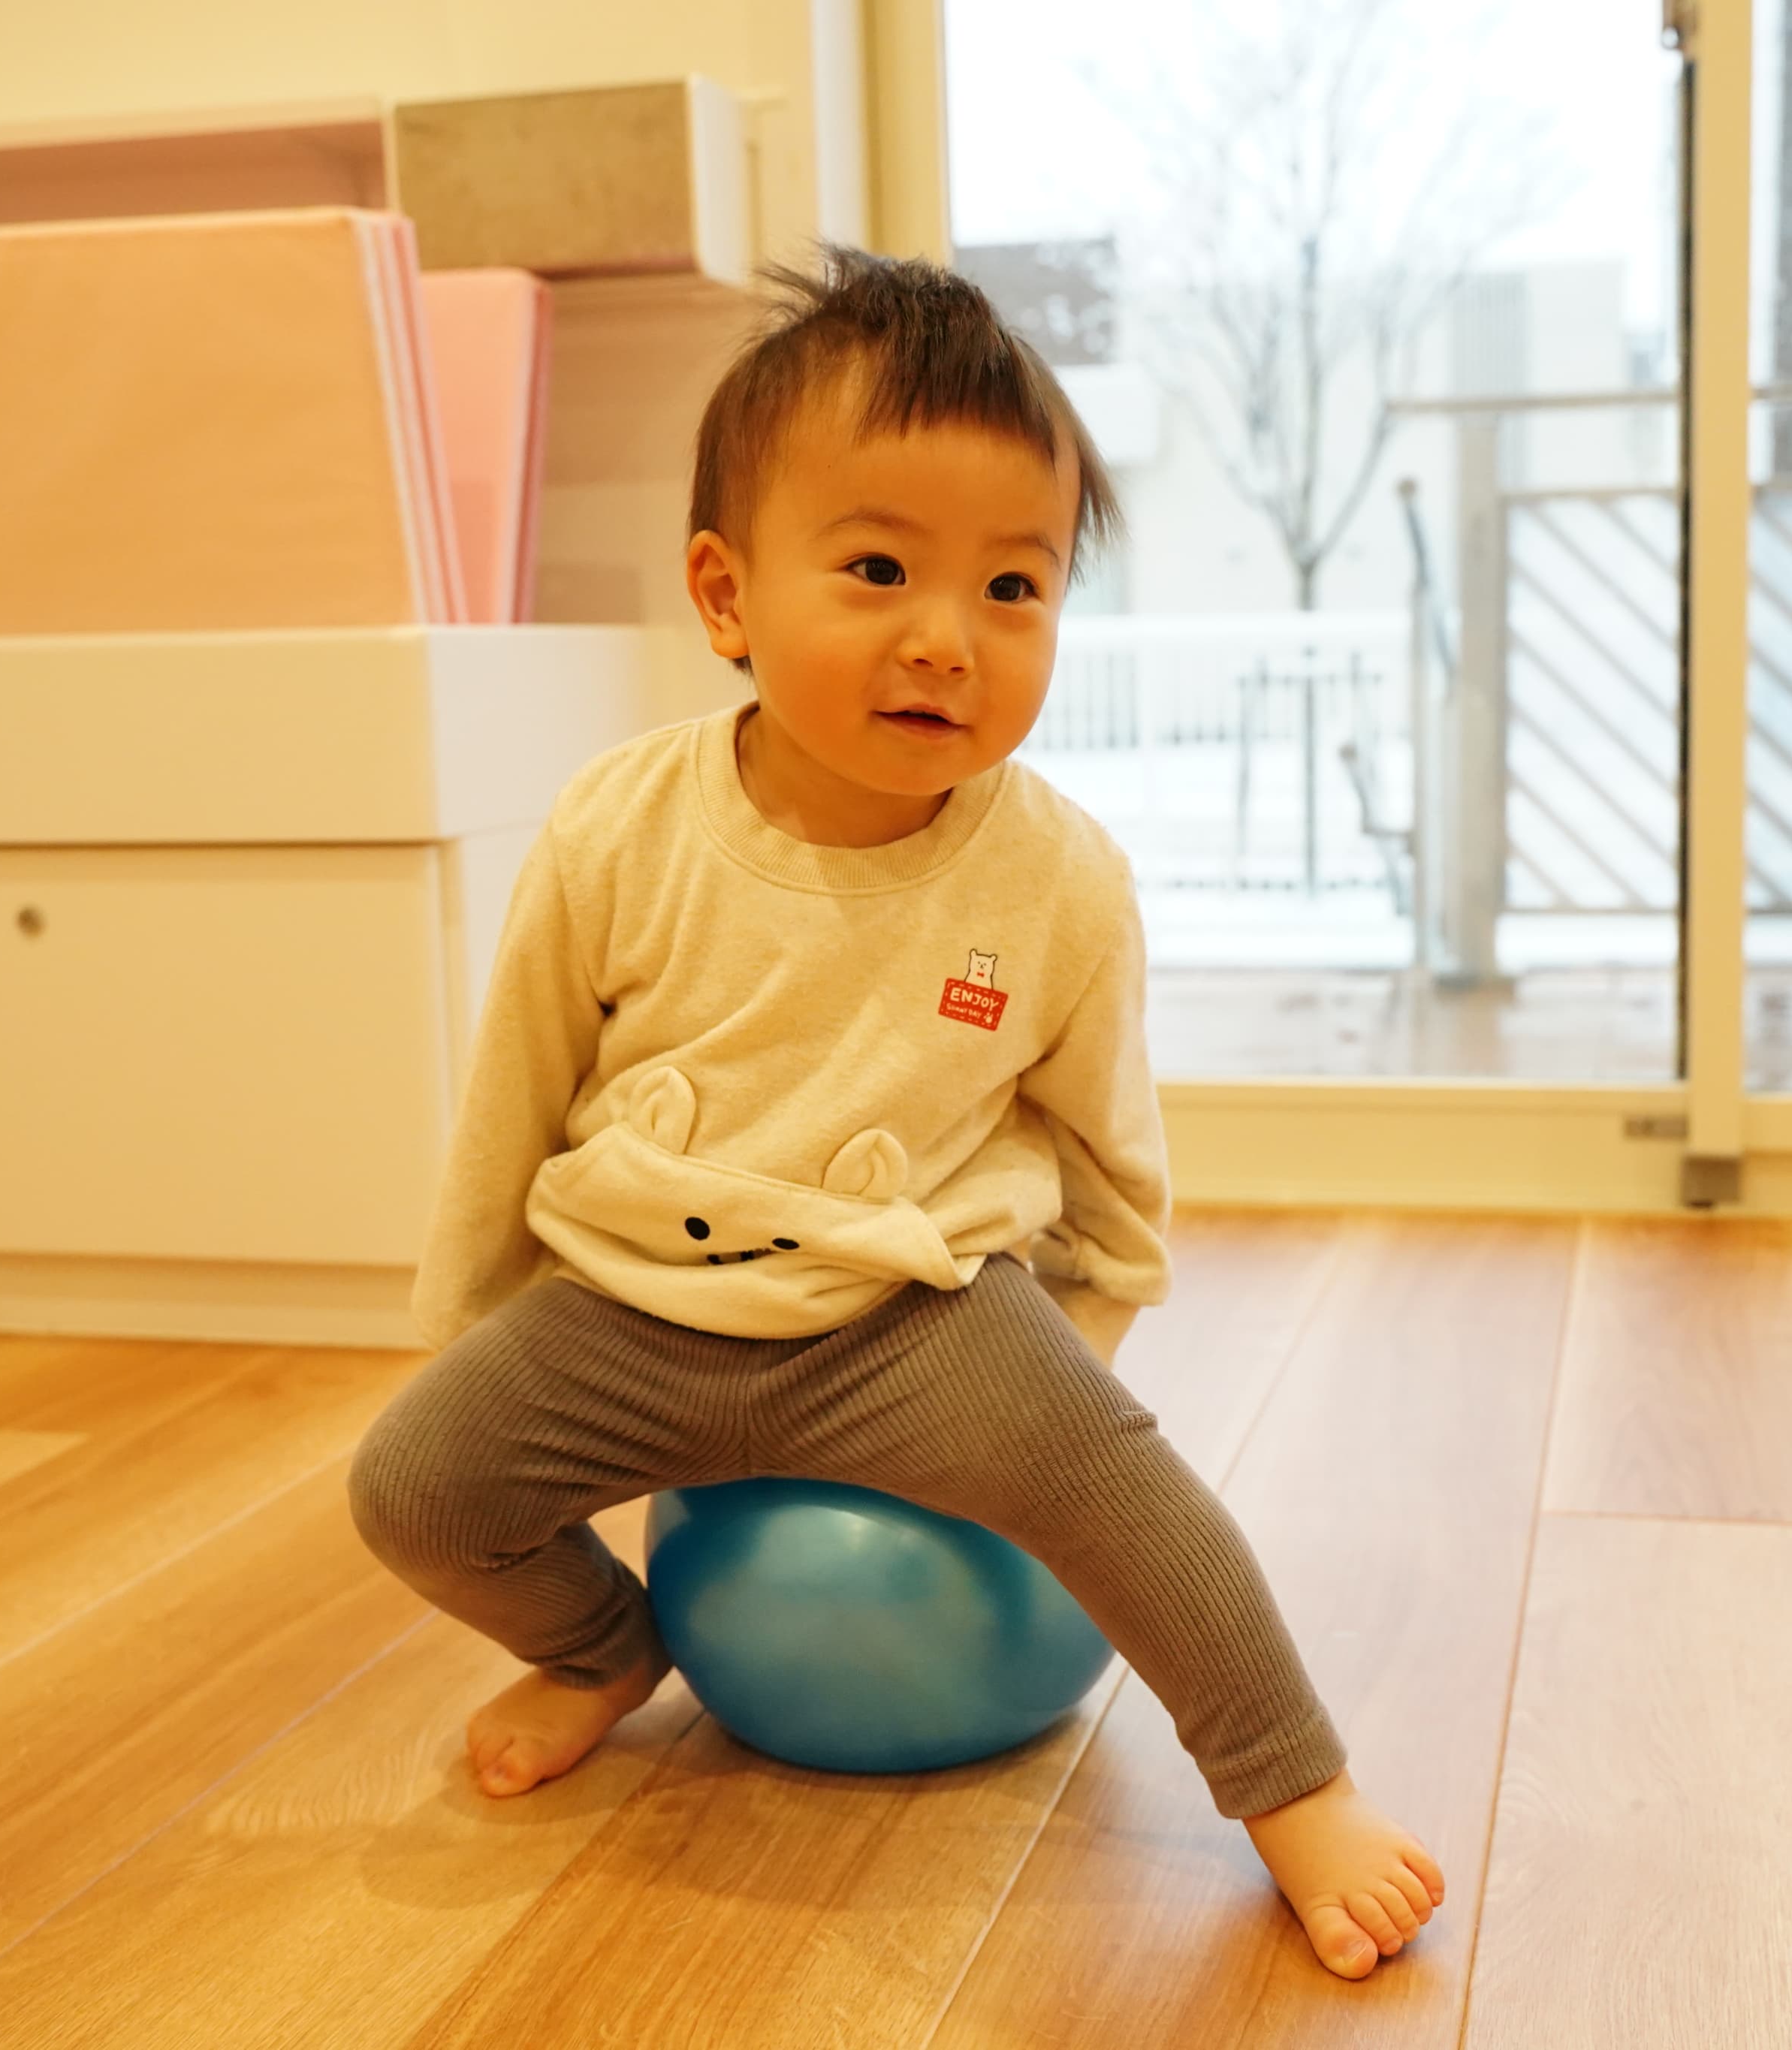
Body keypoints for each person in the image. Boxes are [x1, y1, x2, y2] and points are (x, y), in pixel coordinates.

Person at [347, 246, 1443, 1979]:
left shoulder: (1057, 876)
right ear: (725, 595)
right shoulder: (617, 826)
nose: (946, 638)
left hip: (908, 1309)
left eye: (1013, 587)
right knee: (411, 1489)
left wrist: (1075, 1364)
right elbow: (519, 1087)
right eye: (876, 570)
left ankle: (1294, 1787)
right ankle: (604, 1653)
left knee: (1138, 1504)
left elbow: (1107, 1149)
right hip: (632, 1300)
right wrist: (477, 1316)